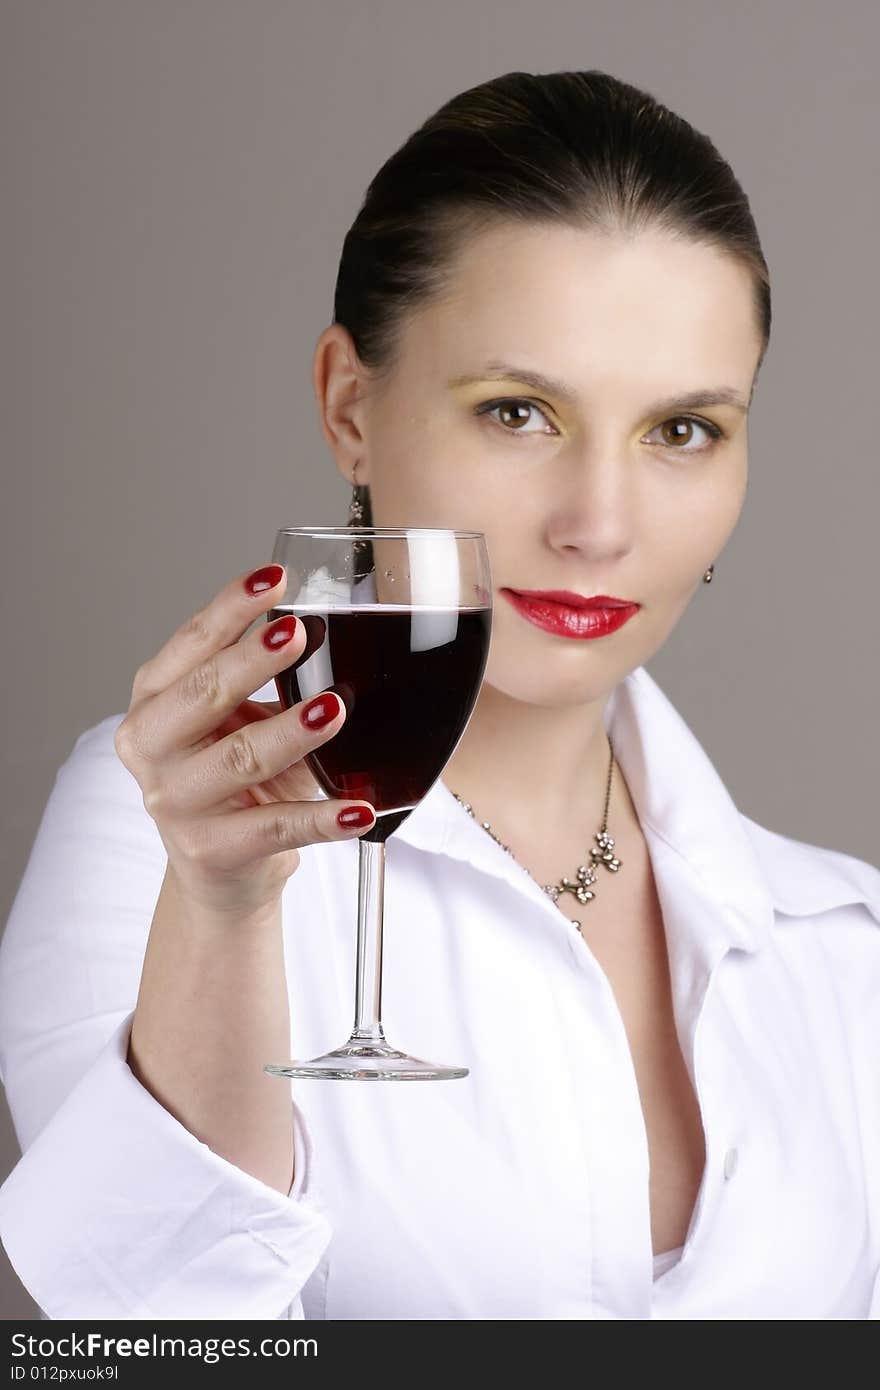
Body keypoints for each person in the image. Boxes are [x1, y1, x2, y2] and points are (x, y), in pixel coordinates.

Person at [1, 68, 878, 1322]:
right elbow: (160, 1338)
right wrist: (222, 913)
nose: (599, 525)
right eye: (518, 412)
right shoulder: (153, 830)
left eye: (682, 430)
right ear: (351, 409)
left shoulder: (845, 950)